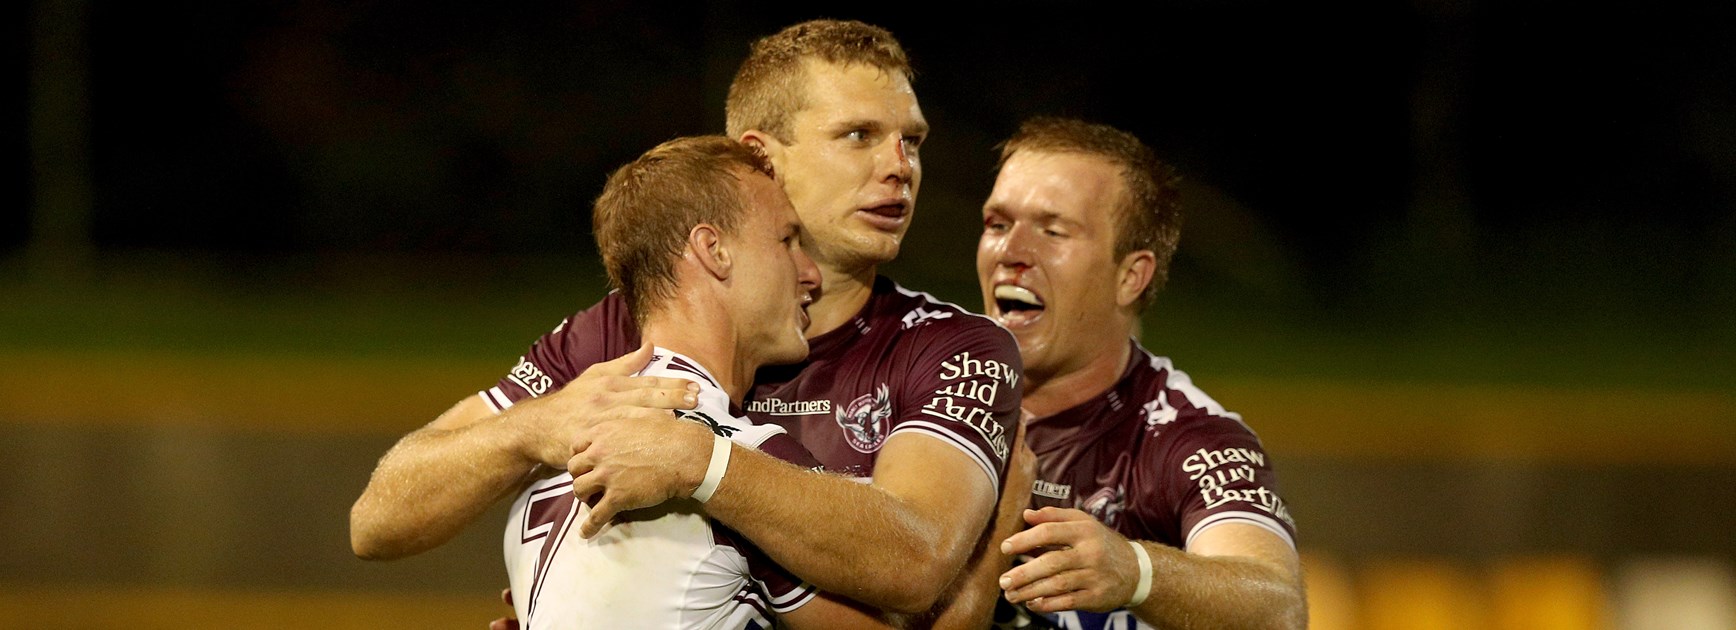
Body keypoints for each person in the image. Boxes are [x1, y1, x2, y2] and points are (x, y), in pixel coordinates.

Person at [350, 19, 1032, 627]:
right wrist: (535, 428)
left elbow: (914, 563)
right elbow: (378, 521)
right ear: (762, 157)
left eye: (911, 140)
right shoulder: (620, 334)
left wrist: (702, 469)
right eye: (859, 136)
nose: (899, 166)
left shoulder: (953, 347)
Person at [978, 117, 1307, 629]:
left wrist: (1135, 571)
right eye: (998, 225)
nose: (1011, 253)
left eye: (1053, 230)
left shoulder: (1186, 438)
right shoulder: (923, 388)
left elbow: (1278, 609)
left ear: (1131, 276)